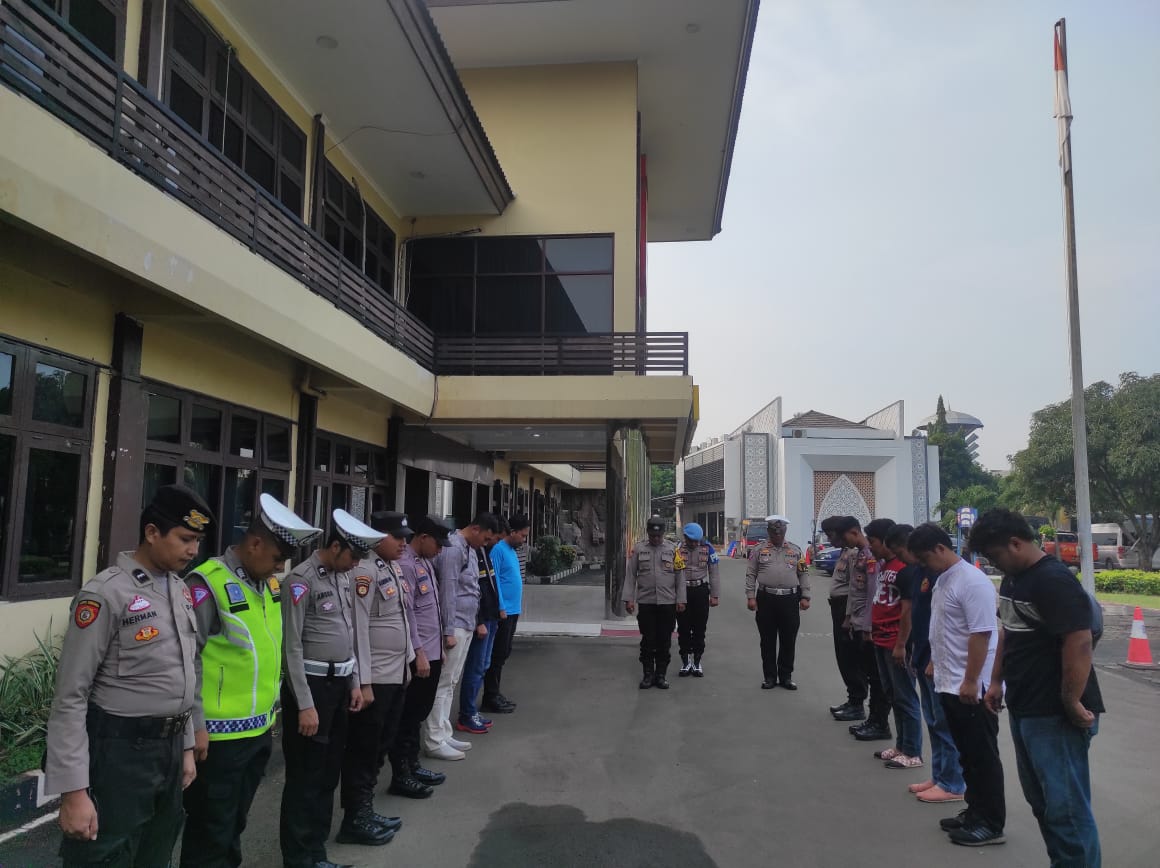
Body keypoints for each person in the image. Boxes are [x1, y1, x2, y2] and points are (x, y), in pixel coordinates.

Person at [46, 484, 211, 867]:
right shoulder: (106, 594)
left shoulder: (179, 590)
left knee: (156, 852)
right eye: (185, 539)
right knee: (106, 856)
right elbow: (70, 696)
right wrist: (74, 792)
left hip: (169, 752)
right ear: (152, 532)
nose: (193, 550)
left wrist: (186, 747)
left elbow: (185, 673)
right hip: (119, 754)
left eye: (198, 541)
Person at [183, 494, 322, 868]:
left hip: (258, 730)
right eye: (277, 558)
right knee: (211, 830)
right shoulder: (208, 583)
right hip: (218, 738)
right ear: (255, 543)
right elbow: (188, 659)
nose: (279, 568)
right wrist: (196, 725)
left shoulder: (269, 586)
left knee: (234, 824)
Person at [972, 509, 1104, 866]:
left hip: (1055, 713)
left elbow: (1079, 641)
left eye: (995, 556)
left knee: (1066, 810)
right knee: (1042, 803)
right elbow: (1008, 632)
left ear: (1016, 543)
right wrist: (996, 681)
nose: (994, 564)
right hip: (1025, 706)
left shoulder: (1052, 580)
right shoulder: (1015, 579)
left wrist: (1071, 700)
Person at [279, 509, 380, 868]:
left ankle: (316, 852)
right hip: (313, 689)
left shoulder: (342, 577)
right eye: (353, 556)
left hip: (339, 686)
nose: (356, 564)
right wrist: (305, 704)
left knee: (327, 774)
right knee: (305, 777)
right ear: (335, 547)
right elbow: (291, 647)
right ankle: (298, 857)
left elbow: (348, 633)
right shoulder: (300, 580)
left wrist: (353, 682)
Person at [909, 522, 1005, 848]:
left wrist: (971, 680)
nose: (924, 566)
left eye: (925, 558)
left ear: (940, 548)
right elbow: (944, 627)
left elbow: (981, 633)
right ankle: (975, 812)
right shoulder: (944, 579)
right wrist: (935, 662)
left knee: (982, 757)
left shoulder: (972, 581)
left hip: (971, 686)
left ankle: (990, 823)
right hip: (949, 682)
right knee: (967, 755)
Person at [338, 511, 420, 846]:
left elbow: (402, 618)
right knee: (364, 750)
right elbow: (357, 629)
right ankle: (355, 817)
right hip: (376, 679)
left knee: (381, 746)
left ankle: (366, 810)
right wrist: (363, 681)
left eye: (405, 538)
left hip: (395, 673)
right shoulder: (365, 571)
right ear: (376, 537)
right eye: (397, 537)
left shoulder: (391, 568)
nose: (403, 543)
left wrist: (409, 661)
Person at [887, 524, 965, 805]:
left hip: (937, 659)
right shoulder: (922, 571)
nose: (913, 560)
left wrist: (933, 658)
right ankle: (940, 776)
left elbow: (943, 622)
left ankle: (952, 782)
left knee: (944, 723)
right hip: (922, 652)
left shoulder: (943, 574)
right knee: (932, 720)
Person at [421, 513, 500, 761]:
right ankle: (434, 739)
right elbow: (448, 590)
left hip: (466, 621)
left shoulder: (470, 548)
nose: (486, 543)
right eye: (485, 538)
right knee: (442, 683)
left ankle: (444, 733)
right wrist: (447, 630)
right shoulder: (454, 549)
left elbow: (472, 588)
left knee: (452, 682)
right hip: (454, 625)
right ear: (475, 529)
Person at [389, 515, 457, 798]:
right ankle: (401, 774)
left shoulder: (424, 562)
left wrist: (438, 647)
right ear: (424, 537)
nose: (440, 550)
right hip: (420, 656)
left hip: (432, 651)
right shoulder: (406, 565)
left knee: (418, 714)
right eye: (437, 544)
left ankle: (413, 765)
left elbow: (432, 609)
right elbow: (408, 615)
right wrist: (418, 652)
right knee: (408, 717)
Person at [870, 523, 924, 770]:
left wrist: (901, 644)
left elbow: (908, 611)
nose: (871, 546)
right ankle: (901, 746)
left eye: (873, 541)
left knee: (905, 696)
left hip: (896, 641)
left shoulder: (906, 569)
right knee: (892, 694)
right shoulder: (885, 566)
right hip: (881, 638)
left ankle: (912, 751)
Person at [840, 517, 892, 741]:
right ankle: (873, 719)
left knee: (877, 678)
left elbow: (873, 593)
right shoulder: (861, 554)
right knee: (872, 674)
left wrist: (868, 626)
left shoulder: (872, 557)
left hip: (869, 625)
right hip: (861, 620)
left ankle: (880, 722)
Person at [745, 515, 809, 690]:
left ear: (785, 531)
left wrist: (806, 596)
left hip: (790, 599)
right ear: (769, 532)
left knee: (788, 640)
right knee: (767, 640)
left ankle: (786, 676)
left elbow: (803, 573)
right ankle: (770, 677)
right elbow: (751, 573)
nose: (777, 536)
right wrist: (750, 596)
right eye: (774, 533)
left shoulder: (795, 550)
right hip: (766, 598)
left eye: (780, 533)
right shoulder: (758, 550)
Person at [623, 515, 687, 689]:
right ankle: (648, 675)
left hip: (667, 603)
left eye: (658, 536)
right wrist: (629, 599)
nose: (656, 539)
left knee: (664, 640)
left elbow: (680, 576)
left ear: (663, 533)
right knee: (648, 641)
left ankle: (661, 675)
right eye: (652, 536)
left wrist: (681, 599)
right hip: (646, 602)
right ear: (648, 533)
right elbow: (631, 575)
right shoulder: (639, 549)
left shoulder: (673, 549)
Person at [457, 523, 503, 734]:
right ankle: (467, 713)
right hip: (479, 619)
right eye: (491, 538)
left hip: (491, 616)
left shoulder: (483, 551)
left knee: (483, 666)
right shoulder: (470, 551)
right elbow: (475, 590)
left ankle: (471, 711)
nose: (492, 542)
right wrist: (480, 620)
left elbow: (489, 585)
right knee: (474, 668)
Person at [822, 515, 868, 721]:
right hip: (838, 608)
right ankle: (852, 699)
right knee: (843, 657)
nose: (830, 540)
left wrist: (849, 617)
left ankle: (857, 702)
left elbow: (854, 589)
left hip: (846, 610)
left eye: (831, 535)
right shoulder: (844, 552)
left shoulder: (853, 554)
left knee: (850, 658)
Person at [483, 514, 530, 713]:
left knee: (504, 653)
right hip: (503, 612)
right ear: (512, 532)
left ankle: (496, 692)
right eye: (523, 535)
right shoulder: (498, 550)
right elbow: (493, 582)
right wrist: (500, 607)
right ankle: (490, 696)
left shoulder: (511, 551)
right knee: (497, 654)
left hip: (513, 610)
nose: (524, 540)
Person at [676, 522, 720, 677]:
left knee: (699, 628)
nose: (694, 544)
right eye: (691, 541)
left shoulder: (708, 548)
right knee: (683, 628)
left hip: (700, 591)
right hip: (682, 591)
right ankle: (685, 661)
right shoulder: (677, 549)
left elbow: (714, 573)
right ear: (685, 537)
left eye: (697, 541)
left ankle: (696, 661)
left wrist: (714, 595)